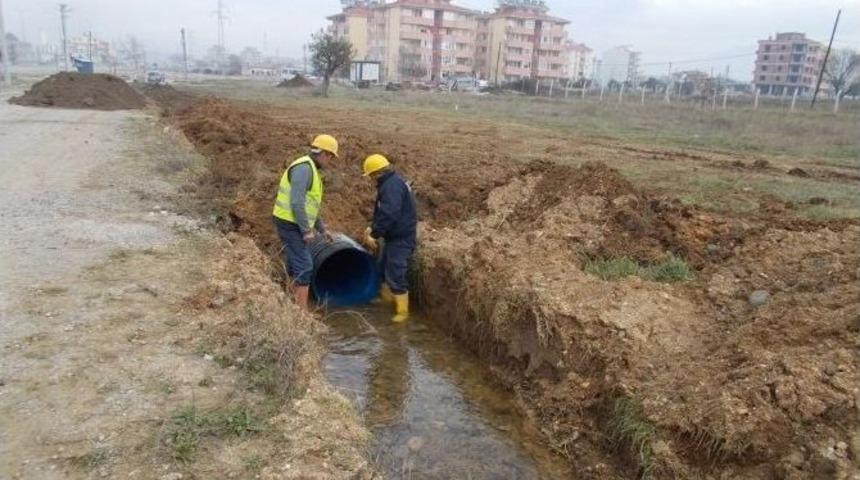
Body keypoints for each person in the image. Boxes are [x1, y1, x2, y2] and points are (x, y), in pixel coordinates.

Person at [273, 134, 338, 311]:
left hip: (293, 222)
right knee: (305, 265)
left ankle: (290, 305)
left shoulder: (311, 170)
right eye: (331, 156)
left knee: (296, 263)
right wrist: (306, 231)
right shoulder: (304, 169)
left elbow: (311, 206)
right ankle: (302, 314)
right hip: (288, 222)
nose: (331, 161)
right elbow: (296, 202)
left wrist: (322, 229)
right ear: (323, 153)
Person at [362, 154, 417, 323]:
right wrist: (373, 227)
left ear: (376, 173)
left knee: (395, 271)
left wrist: (374, 233)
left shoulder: (391, 186)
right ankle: (389, 300)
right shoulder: (389, 183)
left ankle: (402, 311)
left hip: (401, 238)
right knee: (382, 268)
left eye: (370, 175)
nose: (370, 179)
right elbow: (383, 211)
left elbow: (389, 214)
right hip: (393, 236)